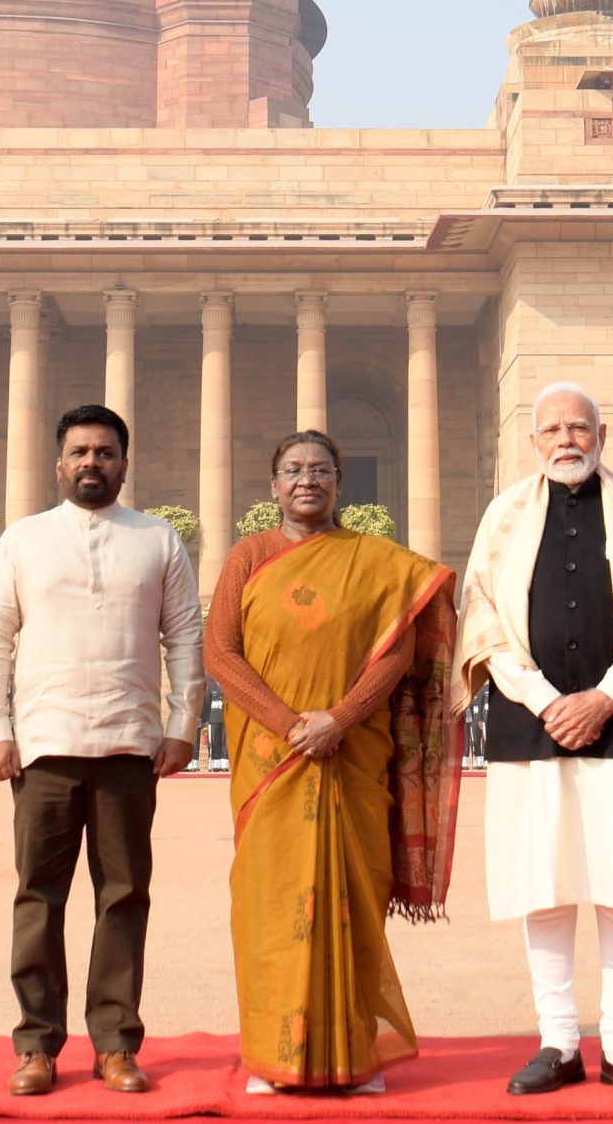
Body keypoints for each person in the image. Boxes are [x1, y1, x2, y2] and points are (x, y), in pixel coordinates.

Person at [456, 381, 613, 1104]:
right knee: (545, 884)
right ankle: (558, 1039)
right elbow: (484, 622)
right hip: (532, 724)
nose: (567, 439)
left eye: (580, 427)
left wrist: (604, 696)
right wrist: (548, 701)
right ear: (534, 442)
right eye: (553, 428)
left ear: (602, 436)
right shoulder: (503, 516)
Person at [203, 429, 457, 1096]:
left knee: (352, 904)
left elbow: (397, 651)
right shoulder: (246, 557)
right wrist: (290, 724)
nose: (306, 480)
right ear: (273, 484)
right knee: (266, 907)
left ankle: (353, 1053)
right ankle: (271, 1055)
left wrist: (339, 719)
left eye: (320, 469)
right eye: (293, 469)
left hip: (351, 757)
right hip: (271, 762)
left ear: (341, 481)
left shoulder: (375, 561)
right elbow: (221, 654)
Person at [0, 405, 203, 1099]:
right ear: (59, 463)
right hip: (43, 744)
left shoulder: (158, 539)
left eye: (105, 452)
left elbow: (185, 637)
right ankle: (37, 1043)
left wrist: (183, 721)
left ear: (125, 464)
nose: (92, 462)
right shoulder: (23, 540)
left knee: (124, 896)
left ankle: (114, 1042)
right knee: (38, 896)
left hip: (130, 741)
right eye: (80, 452)